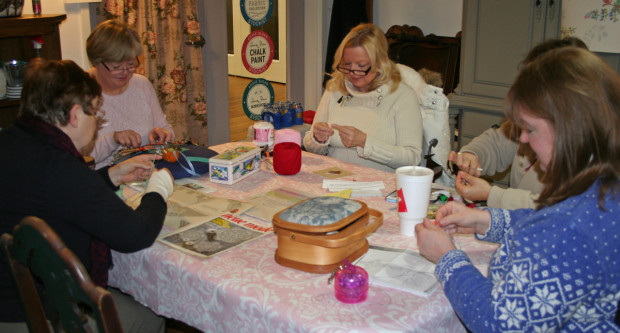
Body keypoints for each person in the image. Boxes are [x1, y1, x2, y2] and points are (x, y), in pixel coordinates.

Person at [416, 47, 620, 331]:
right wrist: (486, 220)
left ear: (571, 127)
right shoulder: (602, 187)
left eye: (531, 129)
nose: (522, 138)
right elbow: (547, 218)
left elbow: (499, 324)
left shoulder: (565, 231)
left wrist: (447, 257)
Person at [0, 59, 174, 333]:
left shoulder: (14, 140)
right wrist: (158, 190)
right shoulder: (60, 166)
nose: (97, 121)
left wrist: (110, 176)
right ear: (74, 115)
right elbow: (134, 234)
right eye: (95, 112)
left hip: (12, 296)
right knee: (148, 317)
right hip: (37, 315)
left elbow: (60, 198)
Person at [449, 37, 588, 209]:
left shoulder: (590, 152)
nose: (522, 138)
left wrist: (492, 195)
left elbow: (555, 209)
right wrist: (473, 155)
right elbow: (497, 141)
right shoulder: (539, 117)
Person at [302, 23, 424, 172]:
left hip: (381, 186)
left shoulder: (402, 96)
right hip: (334, 179)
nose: (352, 71)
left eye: (361, 65)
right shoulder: (335, 88)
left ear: (380, 63)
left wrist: (365, 143)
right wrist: (317, 138)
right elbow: (311, 146)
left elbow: (412, 159)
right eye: (347, 63)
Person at [85, 19, 174, 169]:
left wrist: (162, 134)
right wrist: (113, 139)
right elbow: (79, 157)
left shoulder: (141, 84)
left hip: (146, 172)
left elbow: (165, 128)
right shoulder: (79, 93)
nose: (125, 72)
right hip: (105, 179)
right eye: (117, 66)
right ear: (95, 62)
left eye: (131, 64)